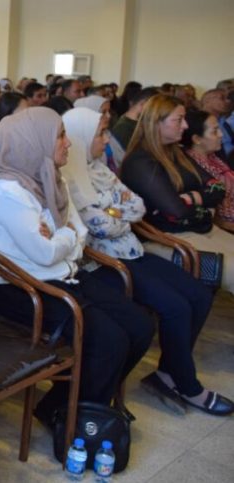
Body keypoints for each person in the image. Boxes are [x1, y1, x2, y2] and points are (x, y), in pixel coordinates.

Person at [0, 107, 154, 428]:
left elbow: (79, 236)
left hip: (63, 276)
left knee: (140, 326)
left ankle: (77, 405)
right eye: (59, 135)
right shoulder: (8, 190)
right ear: (33, 142)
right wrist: (66, 236)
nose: (68, 143)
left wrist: (63, 236)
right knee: (109, 340)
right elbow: (46, 252)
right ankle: (73, 413)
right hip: (21, 289)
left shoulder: (49, 177)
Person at [62, 107, 231, 416]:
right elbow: (98, 226)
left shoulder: (98, 168)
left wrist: (114, 213)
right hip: (102, 263)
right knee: (176, 306)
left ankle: (168, 373)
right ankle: (187, 385)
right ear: (81, 137)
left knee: (199, 294)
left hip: (131, 248)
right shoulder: (68, 177)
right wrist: (117, 212)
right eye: (100, 133)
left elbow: (137, 206)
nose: (106, 139)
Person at [121, 95, 234, 294]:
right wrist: (201, 203)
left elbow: (217, 188)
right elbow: (177, 210)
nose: (185, 126)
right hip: (169, 236)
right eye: (179, 120)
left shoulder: (176, 152)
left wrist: (191, 198)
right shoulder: (140, 161)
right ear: (157, 123)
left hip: (201, 227)